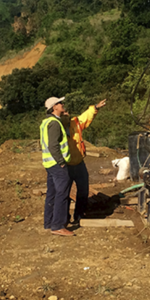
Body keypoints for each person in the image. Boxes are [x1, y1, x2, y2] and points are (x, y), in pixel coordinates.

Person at [62, 99, 107, 227]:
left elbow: (85, 117)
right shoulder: (56, 128)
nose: (67, 114)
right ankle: (64, 218)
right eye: (64, 112)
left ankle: (79, 215)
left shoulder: (74, 123)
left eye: (67, 112)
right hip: (65, 165)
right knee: (64, 193)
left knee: (83, 190)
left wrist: (96, 107)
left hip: (79, 163)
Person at [40, 96, 74, 237]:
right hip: (56, 163)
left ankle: (49, 222)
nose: (62, 104)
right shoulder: (54, 124)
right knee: (62, 193)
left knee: (52, 193)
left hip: (49, 163)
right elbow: (53, 145)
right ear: (54, 107)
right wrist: (61, 161)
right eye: (60, 103)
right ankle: (58, 225)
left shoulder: (48, 122)